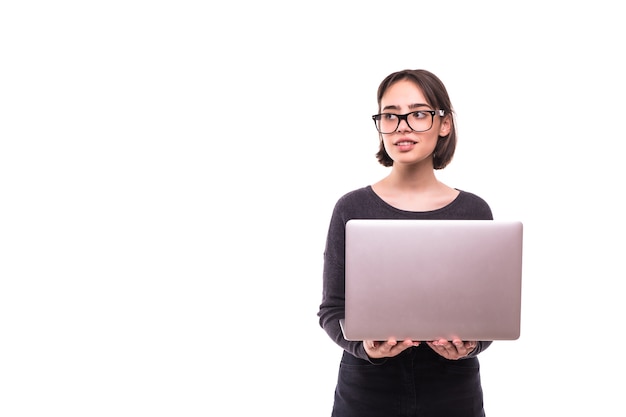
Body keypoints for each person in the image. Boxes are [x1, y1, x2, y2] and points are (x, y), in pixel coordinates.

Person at [317, 69, 493, 417]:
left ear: (444, 123)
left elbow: (488, 317)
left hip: (453, 391)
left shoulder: (474, 210)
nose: (402, 126)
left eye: (417, 113)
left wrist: (472, 345)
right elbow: (332, 310)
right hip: (366, 390)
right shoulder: (351, 208)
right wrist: (363, 345)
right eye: (390, 115)